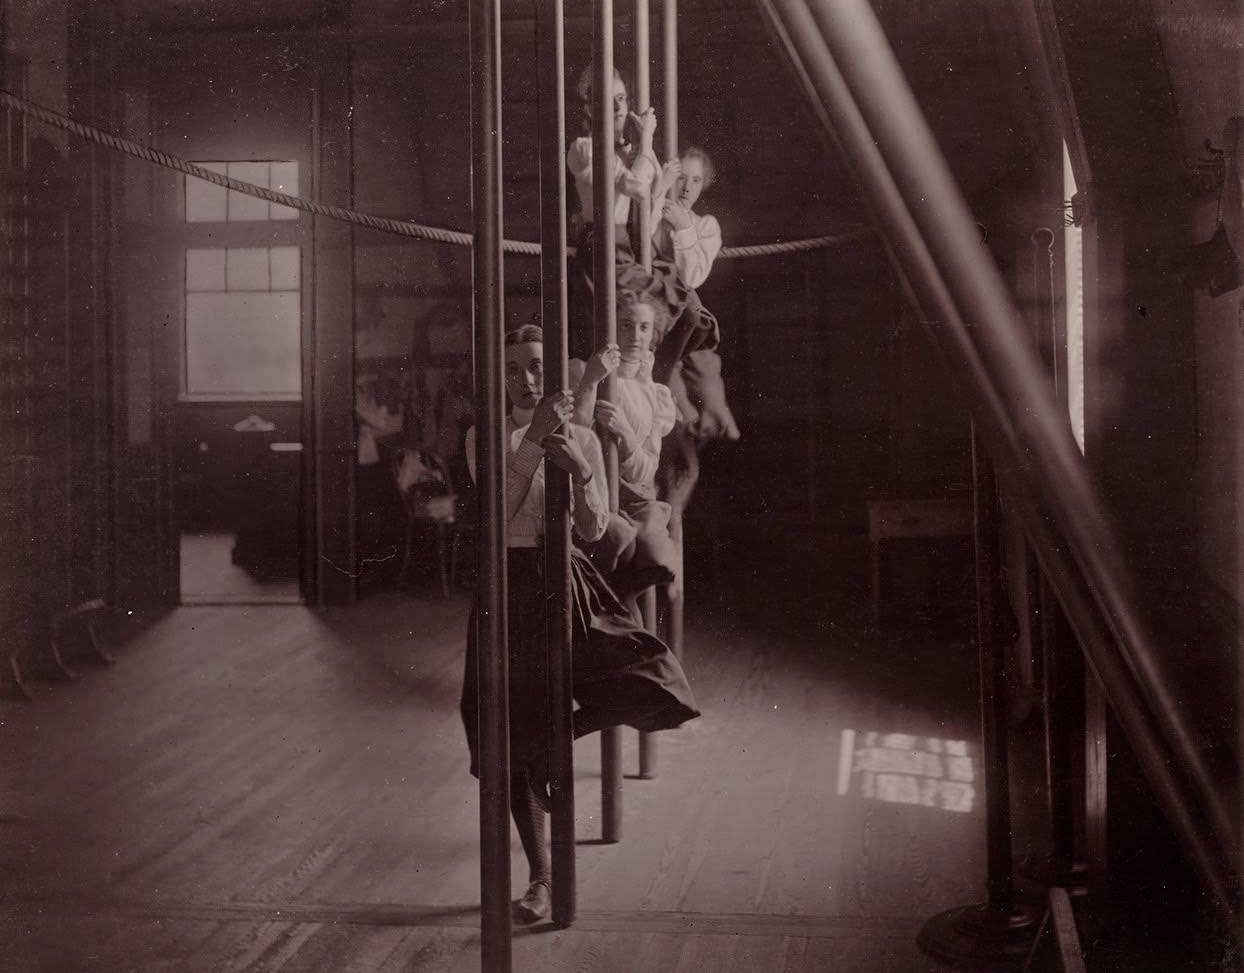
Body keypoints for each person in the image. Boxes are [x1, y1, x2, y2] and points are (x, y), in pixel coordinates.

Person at [460, 325, 700, 924]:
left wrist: (584, 472)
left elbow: (595, 533)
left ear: (554, 372)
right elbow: (496, 519)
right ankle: (541, 878)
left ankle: (551, 743)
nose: (527, 379)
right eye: (513, 369)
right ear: (499, 377)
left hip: (564, 582)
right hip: (506, 587)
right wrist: (533, 444)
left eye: (536, 366)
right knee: (500, 733)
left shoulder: (585, 437)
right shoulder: (482, 436)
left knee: (655, 675)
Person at [569, 289, 679, 593]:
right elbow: (576, 433)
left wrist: (627, 434)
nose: (635, 335)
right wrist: (592, 380)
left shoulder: (656, 396)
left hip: (635, 500)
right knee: (620, 545)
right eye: (626, 325)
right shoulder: (583, 371)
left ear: (654, 334)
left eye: (644, 328)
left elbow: (644, 472)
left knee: (653, 562)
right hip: (591, 494)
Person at [650, 146, 740, 442]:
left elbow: (693, 277)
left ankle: (716, 414)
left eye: (697, 180)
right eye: (682, 178)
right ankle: (686, 423)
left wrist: (684, 227)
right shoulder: (652, 217)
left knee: (706, 369)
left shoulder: (705, 226)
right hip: (660, 321)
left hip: (687, 321)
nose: (688, 188)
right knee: (674, 391)